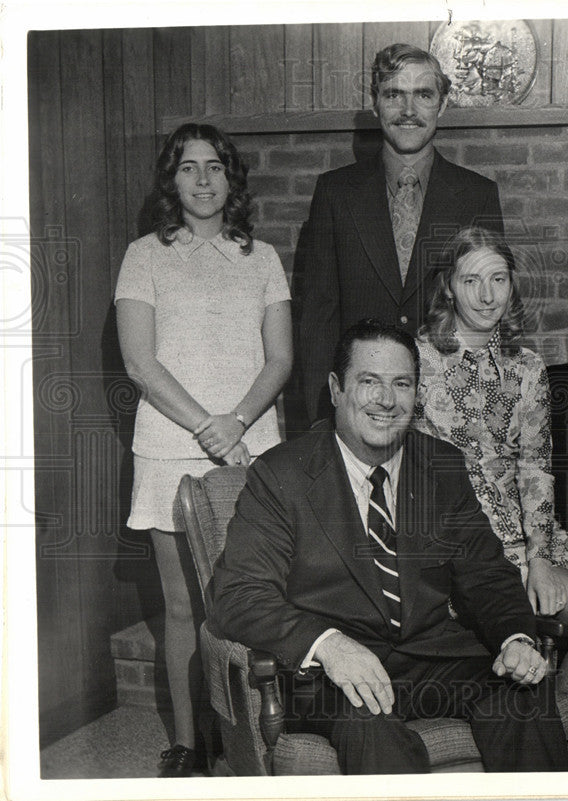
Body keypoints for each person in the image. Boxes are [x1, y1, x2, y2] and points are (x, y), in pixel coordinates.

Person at [210, 319, 568, 774]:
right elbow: (237, 594)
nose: (387, 400)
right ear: (336, 389)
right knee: (370, 723)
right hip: (334, 677)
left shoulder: (440, 464)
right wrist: (329, 645)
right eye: (369, 382)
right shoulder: (281, 476)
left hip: (432, 659)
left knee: (520, 695)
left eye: (402, 384)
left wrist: (514, 638)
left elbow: (485, 573)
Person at [413, 227, 568, 742]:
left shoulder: (527, 366)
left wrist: (540, 556)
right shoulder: (417, 361)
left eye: (499, 279)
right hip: (466, 544)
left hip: (534, 533)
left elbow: (535, 466)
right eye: (471, 280)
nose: (487, 295)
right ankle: (552, 739)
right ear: (448, 286)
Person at [115, 123, 293, 776]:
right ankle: (189, 747)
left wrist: (238, 421)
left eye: (214, 166)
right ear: (172, 180)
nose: (201, 178)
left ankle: (245, 741)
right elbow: (139, 361)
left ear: (231, 178)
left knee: (247, 596)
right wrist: (206, 426)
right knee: (183, 605)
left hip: (249, 447)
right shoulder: (144, 255)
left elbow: (281, 358)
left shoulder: (263, 258)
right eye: (187, 167)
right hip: (168, 447)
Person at [296, 43, 505, 424]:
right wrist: (319, 420)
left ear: (442, 105)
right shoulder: (335, 192)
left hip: (450, 412)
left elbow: (488, 314)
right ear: (376, 104)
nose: (409, 111)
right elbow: (318, 318)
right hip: (360, 410)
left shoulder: (477, 195)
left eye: (423, 95)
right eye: (394, 94)